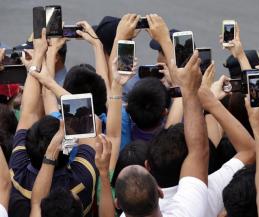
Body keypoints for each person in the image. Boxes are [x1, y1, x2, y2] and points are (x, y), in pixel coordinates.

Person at [115, 27, 209, 216]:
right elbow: (198, 149)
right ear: (159, 192)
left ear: (119, 204)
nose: (159, 59)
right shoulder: (187, 209)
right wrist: (181, 88)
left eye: (161, 52)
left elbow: (113, 133)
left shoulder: (125, 125)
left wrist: (120, 37)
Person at [9, 29, 98, 217]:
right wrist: (49, 81)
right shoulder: (82, 180)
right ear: (67, 145)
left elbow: (29, 113)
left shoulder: (18, 172)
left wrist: (37, 61)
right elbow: (91, 120)